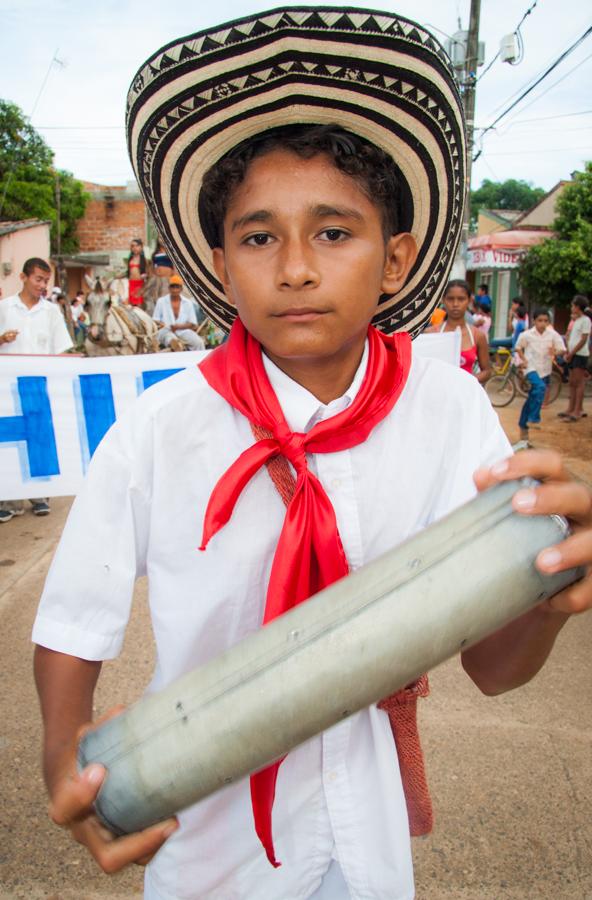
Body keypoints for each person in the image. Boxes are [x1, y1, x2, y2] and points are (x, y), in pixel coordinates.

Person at [31, 11, 592, 900]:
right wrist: (66, 758)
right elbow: (73, 622)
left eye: (334, 233)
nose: (295, 268)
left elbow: (491, 668)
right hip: (209, 843)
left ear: (397, 258)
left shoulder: (445, 411)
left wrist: (552, 588)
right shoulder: (161, 428)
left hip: (363, 850)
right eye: (259, 238)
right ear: (220, 265)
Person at [0, 257, 72, 523]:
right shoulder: (5, 308)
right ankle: (9, 498)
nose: (42, 286)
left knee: (40, 437)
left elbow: (61, 348)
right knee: (9, 442)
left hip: (39, 387)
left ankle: (41, 495)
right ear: (23, 277)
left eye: (45, 281)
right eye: (38, 279)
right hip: (7, 390)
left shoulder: (51, 312)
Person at [425, 279, 491, 383]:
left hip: (466, 396)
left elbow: (487, 371)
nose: (455, 304)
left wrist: (466, 382)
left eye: (461, 299)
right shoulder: (431, 333)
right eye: (450, 299)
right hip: (438, 394)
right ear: (443, 300)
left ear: (469, 301)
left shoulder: (477, 336)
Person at [515, 308, 565, 442]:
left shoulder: (553, 335)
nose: (542, 324)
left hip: (545, 369)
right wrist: (522, 361)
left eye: (545, 321)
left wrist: (554, 351)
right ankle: (534, 418)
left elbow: (562, 349)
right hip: (531, 367)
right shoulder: (527, 335)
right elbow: (518, 348)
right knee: (541, 388)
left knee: (532, 397)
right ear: (534, 321)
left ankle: (523, 427)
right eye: (540, 320)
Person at [559, 294, 591, 421]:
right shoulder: (576, 320)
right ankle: (570, 408)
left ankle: (577, 410)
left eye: (573, 305)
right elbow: (571, 337)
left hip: (580, 354)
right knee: (572, 382)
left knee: (579, 382)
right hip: (572, 353)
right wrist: (568, 351)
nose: (571, 308)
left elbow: (583, 340)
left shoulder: (586, 320)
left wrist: (572, 353)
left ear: (578, 307)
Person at [152, 275, 205, 351]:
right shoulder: (161, 301)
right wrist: (163, 324)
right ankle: (174, 344)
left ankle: (198, 362)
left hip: (183, 331)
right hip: (166, 331)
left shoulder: (188, 303)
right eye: (172, 287)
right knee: (171, 339)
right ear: (169, 288)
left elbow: (193, 324)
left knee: (199, 342)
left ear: (181, 289)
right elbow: (155, 320)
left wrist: (177, 327)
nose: (175, 290)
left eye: (177, 287)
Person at [126, 238, 147, 307]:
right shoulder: (130, 259)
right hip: (131, 283)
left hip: (139, 284)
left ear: (141, 247)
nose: (135, 248)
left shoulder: (144, 260)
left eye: (137, 245)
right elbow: (128, 272)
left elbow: (148, 273)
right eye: (132, 246)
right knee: (131, 305)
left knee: (139, 306)